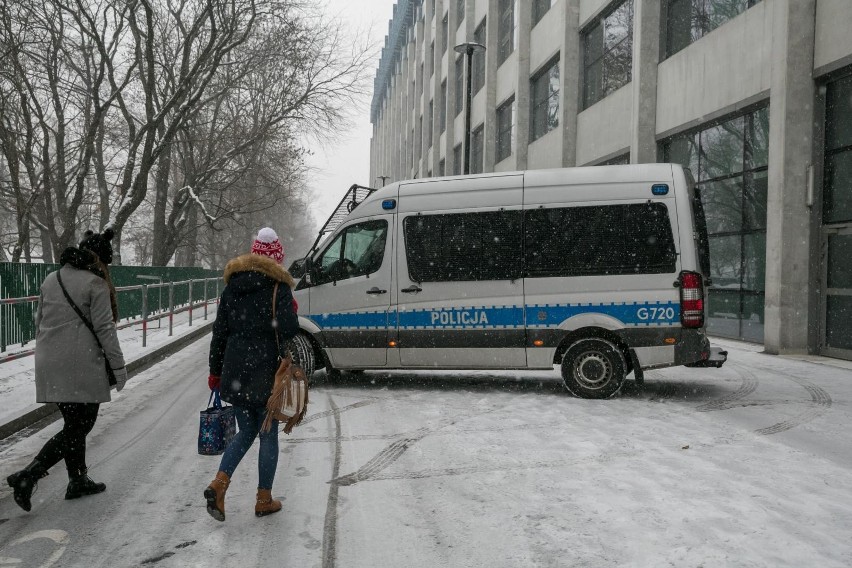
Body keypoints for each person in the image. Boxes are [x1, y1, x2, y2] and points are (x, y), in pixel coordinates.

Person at [6, 229, 128, 512]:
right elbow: (105, 330)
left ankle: (77, 480)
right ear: (100, 260)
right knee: (80, 426)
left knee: (73, 423)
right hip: (80, 364)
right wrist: (119, 367)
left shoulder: (52, 278)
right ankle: (28, 475)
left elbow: (40, 321)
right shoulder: (96, 284)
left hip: (50, 359)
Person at [205, 227, 299, 521]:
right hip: (265, 370)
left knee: (246, 431)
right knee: (267, 434)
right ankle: (263, 499)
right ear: (276, 258)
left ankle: (218, 485)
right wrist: (289, 311)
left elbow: (219, 332)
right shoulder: (278, 287)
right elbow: (288, 330)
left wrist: (215, 371)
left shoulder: (232, 286)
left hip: (235, 368)